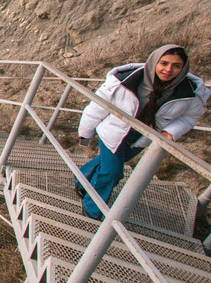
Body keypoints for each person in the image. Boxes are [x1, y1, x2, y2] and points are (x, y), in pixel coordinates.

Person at [75, 45, 208, 220]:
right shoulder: (126, 80)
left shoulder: (190, 93)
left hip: (141, 139)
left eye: (176, 66)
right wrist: (85, 132)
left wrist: (171, 132)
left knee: (108, 163)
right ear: (154, 61)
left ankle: (81, 181)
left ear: (183, 68)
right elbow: (97, 106)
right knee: (113, 171)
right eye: (164, 63)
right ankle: (92, 210)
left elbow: (190, 118)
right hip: (113, 133)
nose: (169, 69)